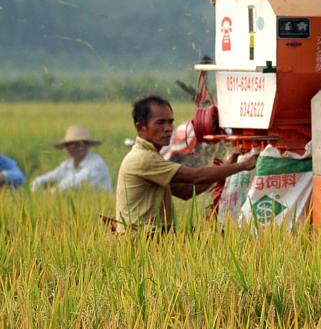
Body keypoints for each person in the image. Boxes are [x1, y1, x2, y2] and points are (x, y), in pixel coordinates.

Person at [114, 95, 257, 232]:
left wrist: (228, 165)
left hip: (159, 238)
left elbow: (186, 191)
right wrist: (243, 165)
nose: (168, 128)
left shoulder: (152, 156)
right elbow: (196, 177)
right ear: (141, 127)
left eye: (170, 122)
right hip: (142, 241)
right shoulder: (143, 158)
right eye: (160, 122)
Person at [31, 125, 112, 192]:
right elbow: (43, 180)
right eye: (72, 145)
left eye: (81, 144)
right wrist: (37, 187)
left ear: (88, 146)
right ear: (66, 148)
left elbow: (72, 184)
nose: (78, 148)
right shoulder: (67, 165)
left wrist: (50, 193)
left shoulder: (96, 163)